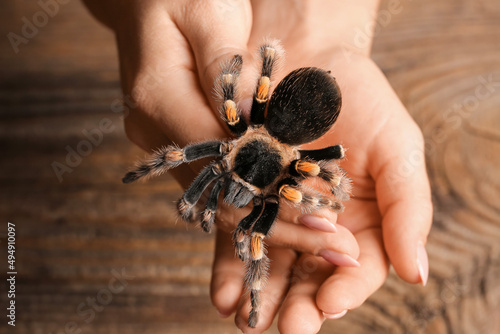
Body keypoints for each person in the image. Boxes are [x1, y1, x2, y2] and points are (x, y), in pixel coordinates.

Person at [82, 1, 433, 333]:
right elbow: (224, 101)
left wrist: (326, 200)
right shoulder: (245, 154)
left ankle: (255, 295)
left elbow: (325, 176)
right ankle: (253, 295)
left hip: (293, 120)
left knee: (246, 222)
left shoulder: (261, 158)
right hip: (278, 126)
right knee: (240, 218)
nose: (236, 193)